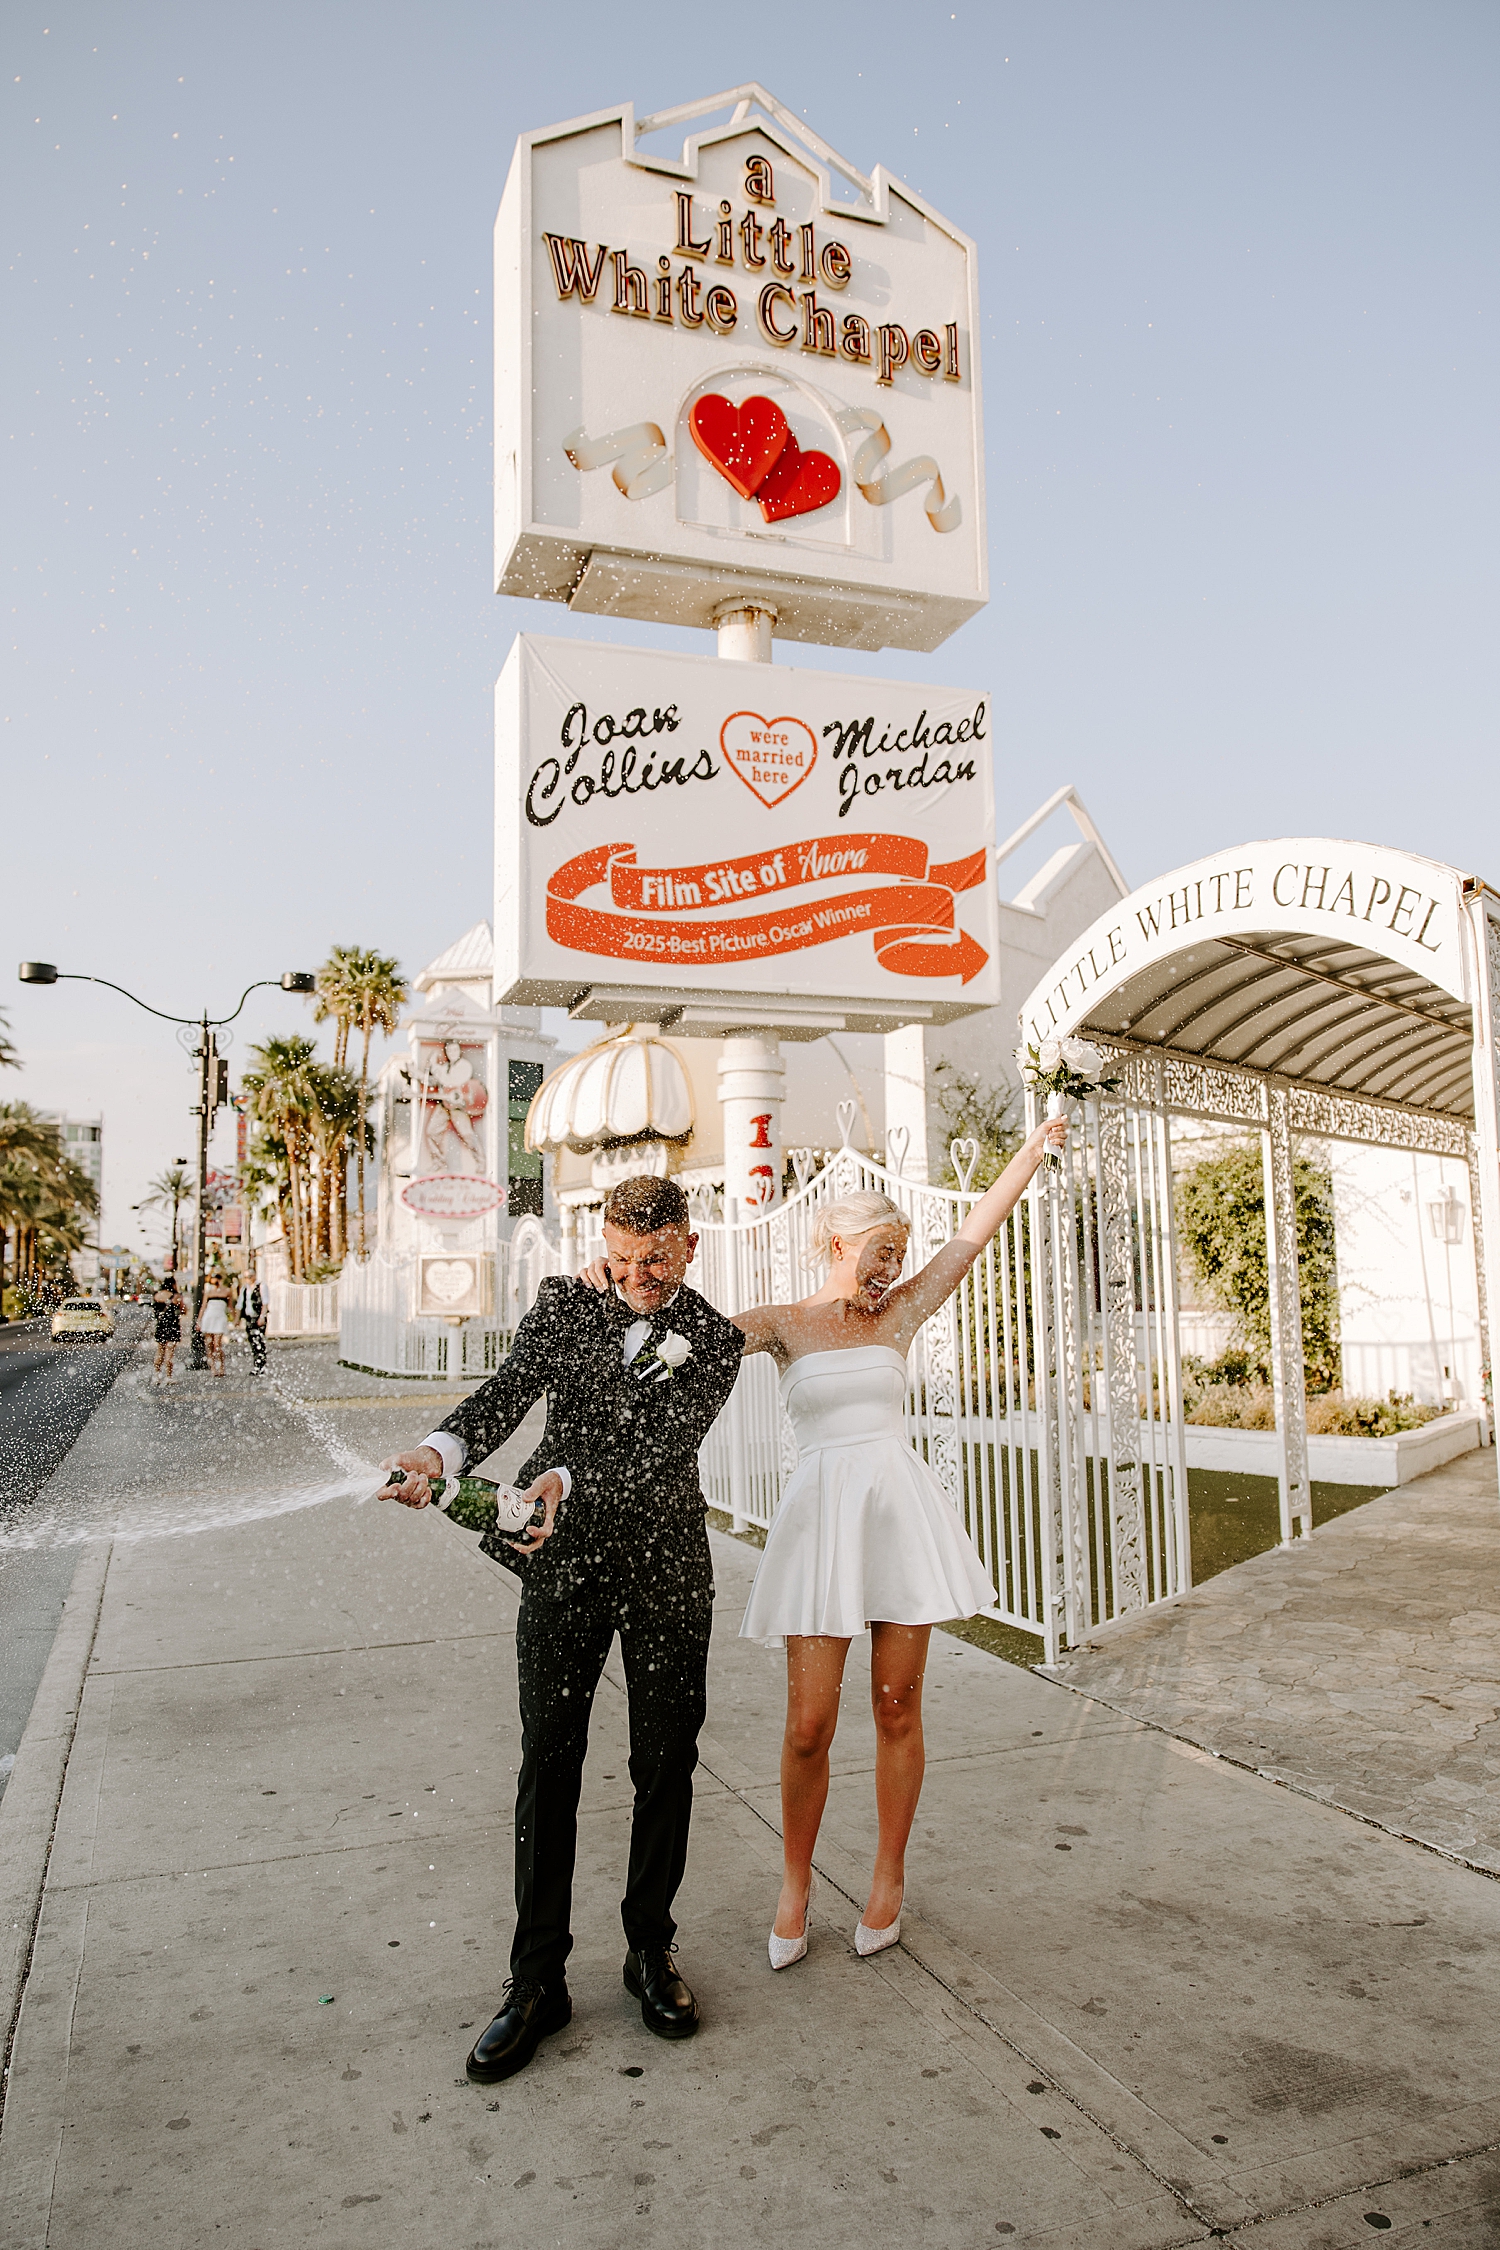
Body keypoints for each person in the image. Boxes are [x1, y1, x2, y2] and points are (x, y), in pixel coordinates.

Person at [579, 1115, 1066, 1972]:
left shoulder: (904, 1310)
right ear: (838, 1244)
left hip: (896, 1519)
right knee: (809, 1725)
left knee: (896, 1706)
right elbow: (677, 1340)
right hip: (820, 1525)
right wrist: (617, 1282)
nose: (890, 1269)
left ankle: (888, 1876)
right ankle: (795, 1885)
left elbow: (972, 1238)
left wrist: (1029, 1153)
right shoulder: (784, 1324)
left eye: (898, 1254)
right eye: (879, 1252)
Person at [379, 1173, 745, 2086]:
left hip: (665, 1568)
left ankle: (649, 1951)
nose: (637, 1277)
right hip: (564, 1565)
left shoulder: (712, 1340)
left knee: (665, 1758)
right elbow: (506, 1394)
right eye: (621, 1260)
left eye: (655, 1259)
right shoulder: (564, 1304)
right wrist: (439, 1451)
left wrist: (563, 1479)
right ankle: (536, 1981)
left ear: (690, 1245)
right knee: (549, 1758)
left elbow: (656, 1447)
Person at [150, 1274, 184, 1384]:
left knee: (160, 1351)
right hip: (172, 1325)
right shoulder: (175, 1296)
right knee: (170, 1351)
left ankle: (156, 1376)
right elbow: (183, 1310)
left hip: (160, 1325)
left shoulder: (156, 1295)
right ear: (173, 1284)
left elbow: (154, 1311)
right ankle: (168, 1377)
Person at [197, 1272, 232, 1376]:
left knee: (217, 1345)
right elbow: (203, 1307)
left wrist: (235, 1319)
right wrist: (199, 1320)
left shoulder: (227, 1291)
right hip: (209, 1318)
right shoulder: (209, 1292)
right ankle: (213, 1368)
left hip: (220, 1318)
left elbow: (230, 1306)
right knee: (209, 1345)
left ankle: (221, 1366)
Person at [237, 1271, 268, 1374]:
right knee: (252, 1341)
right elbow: (240, 1304)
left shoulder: (261, 1286)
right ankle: (257, 1364)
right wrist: (237, 1319)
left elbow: (265, 1303)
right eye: (246, 1277)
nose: (248, 1279)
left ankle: (261, 1365)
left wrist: (262, 1317)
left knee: (259, 1341)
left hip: (258, 1317)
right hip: (249, 1318)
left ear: (254, 1276)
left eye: (250, 1276)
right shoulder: (245, 1288)